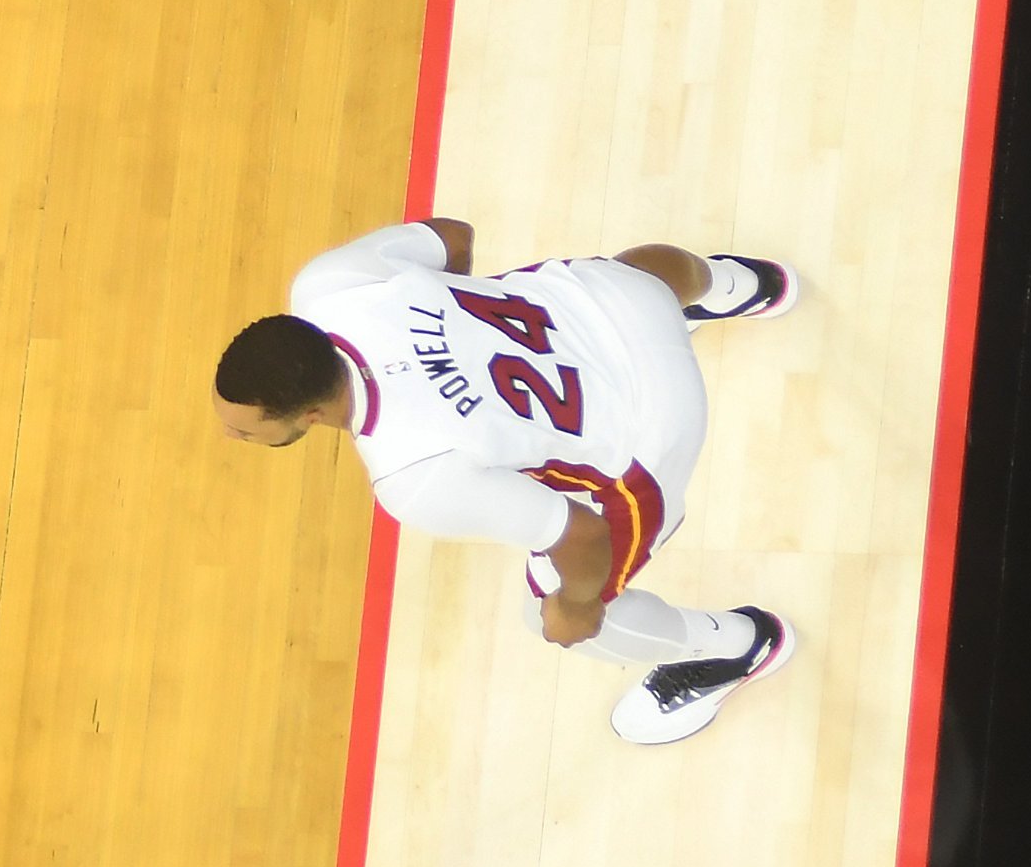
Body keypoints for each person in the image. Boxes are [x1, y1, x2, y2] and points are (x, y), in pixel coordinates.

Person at [210, 218, 801, 744]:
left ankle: (737, 646)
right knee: (633, 276)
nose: (233, 439)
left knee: (561, 615)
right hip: (620, 305)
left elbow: (584, 536)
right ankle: (738, 285)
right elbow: (454, 237)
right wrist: (457, 337)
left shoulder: (412, 478)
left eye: (247, 431)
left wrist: (574, 608)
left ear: (309, 416)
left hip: (654, 432)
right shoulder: (327, 283)